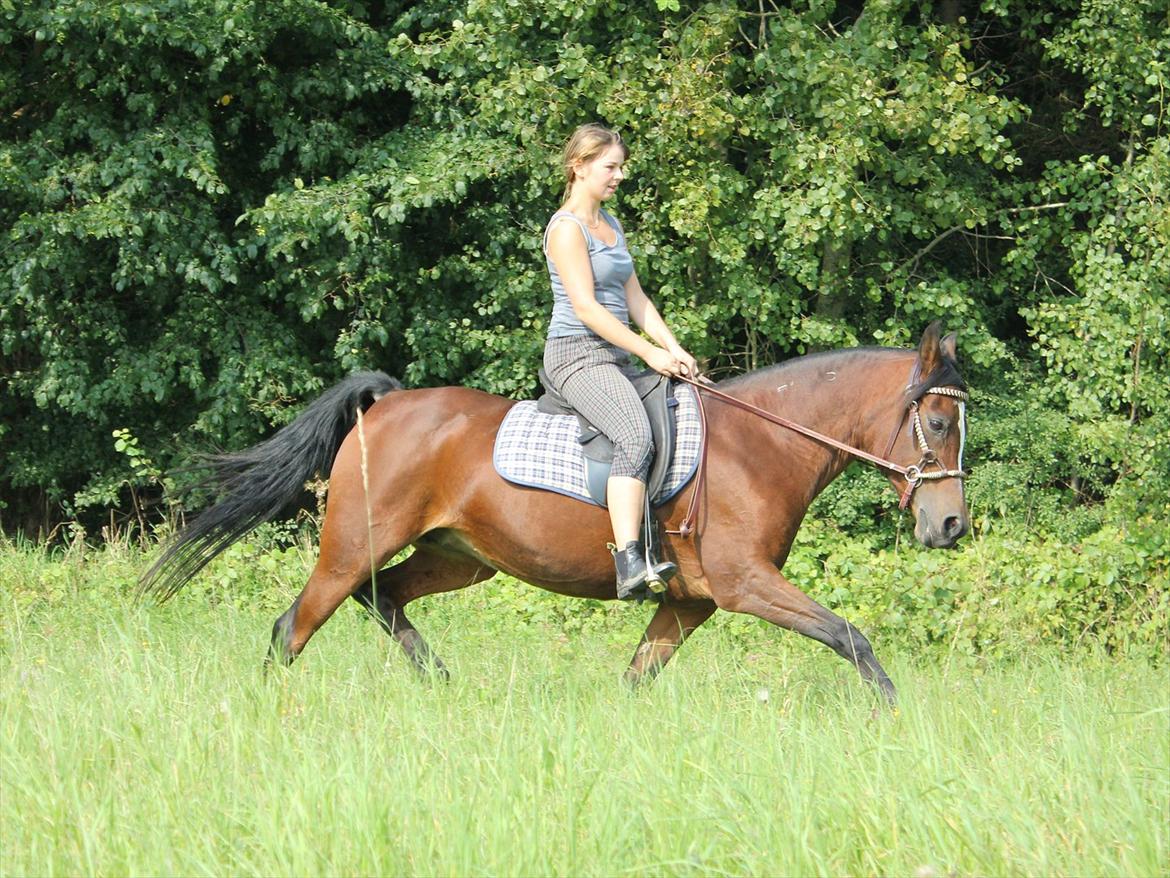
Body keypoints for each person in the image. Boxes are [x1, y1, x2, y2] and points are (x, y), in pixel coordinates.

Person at [542, 123, 700, 601]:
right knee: (633, 433)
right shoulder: (566, 229)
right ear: (580, 167)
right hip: (577, 354)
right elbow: (587, 308)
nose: (619, 176)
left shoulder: (610, 225)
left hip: (617, 354)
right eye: (610, 167)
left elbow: (636, 298)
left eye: (620, 167)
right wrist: (648, 352)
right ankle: (630, 558)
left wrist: (672, 347)